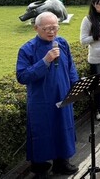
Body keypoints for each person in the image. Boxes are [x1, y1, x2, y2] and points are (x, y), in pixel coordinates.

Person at [16, 12, 80, 178]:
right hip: (41, 100)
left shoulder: (62, 43)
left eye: (55, 28)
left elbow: (71, 67)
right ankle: (40, 167)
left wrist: (76, 87)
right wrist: (45, 61)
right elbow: (22, 76)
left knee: (63, 128)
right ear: (36, 28)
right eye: (47, 29)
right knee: (42, 131)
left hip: (63, 95)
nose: (52, 32)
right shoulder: (27, 49)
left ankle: (61, 163)